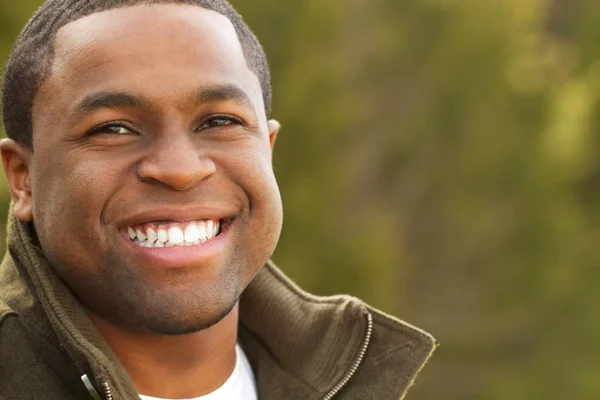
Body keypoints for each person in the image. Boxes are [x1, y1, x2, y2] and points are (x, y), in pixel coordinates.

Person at [0, 1, 436, 399]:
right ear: (23, 179)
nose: (180, 169)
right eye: (112, 128)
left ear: (267, 149)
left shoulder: (358, 375)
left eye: (220, 120)